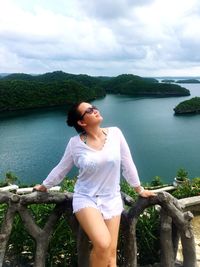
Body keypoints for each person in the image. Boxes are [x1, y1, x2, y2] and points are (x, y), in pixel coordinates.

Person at [34, 102, 156, 267]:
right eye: (89, 111)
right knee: (103, 244)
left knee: (111, 256)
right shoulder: (74, 143)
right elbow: (61, 168)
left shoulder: (115, 133)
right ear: (82, 122)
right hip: (86, 198)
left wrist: (139, 189)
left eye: (94, 107)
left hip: (112, 198)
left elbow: (128, 163)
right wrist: (44, 186)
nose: (95, 110)